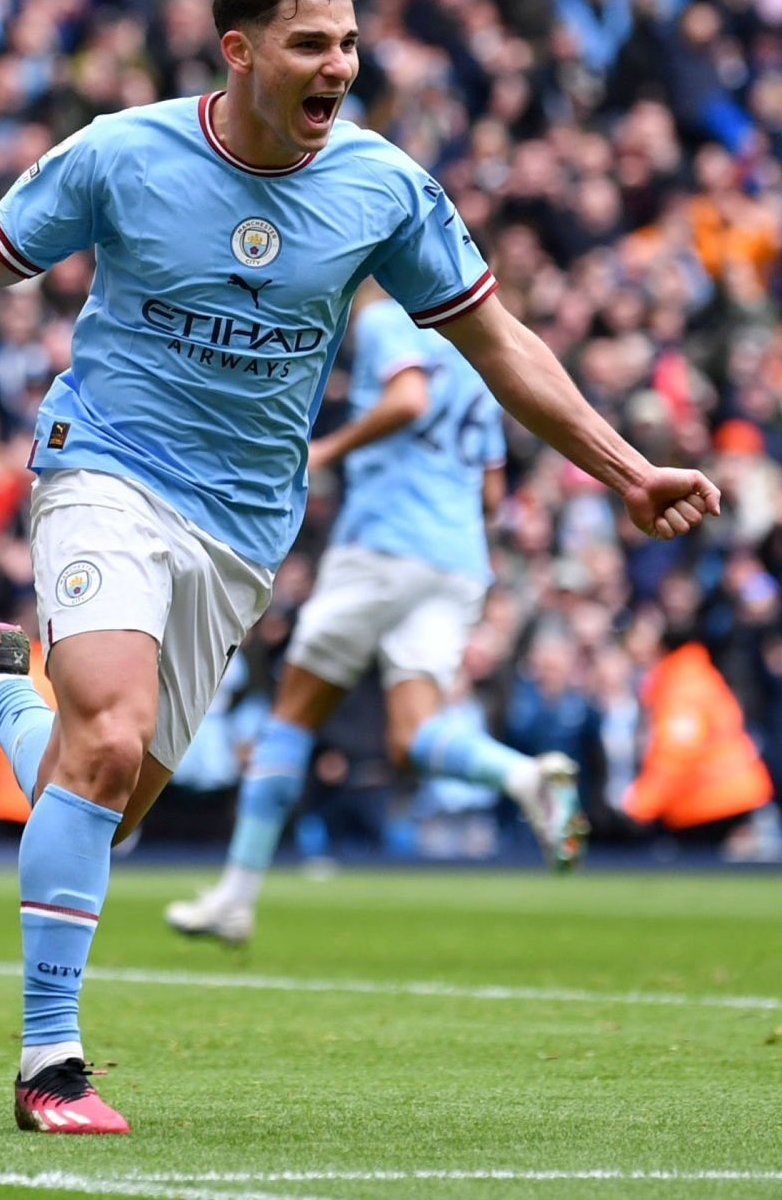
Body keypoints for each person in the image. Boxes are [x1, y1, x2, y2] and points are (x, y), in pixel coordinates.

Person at [0, 0, 719, 1134]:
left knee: (104, 794)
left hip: (242, 530)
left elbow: (495, 341)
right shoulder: (119, 153)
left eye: (348, 41)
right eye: (311, 43)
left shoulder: (382, 188)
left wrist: (623, 466)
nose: (339, 63)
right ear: (239, 53)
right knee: (106, 740)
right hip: (105, 469)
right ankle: (51, 1063)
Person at [165, 285, 585, 948]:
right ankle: (525, 775)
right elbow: (493, 491)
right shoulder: (473, 348)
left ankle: (236, 899)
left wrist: (328, 453)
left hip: (386, 541)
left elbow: (408, 398)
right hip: (457, 560)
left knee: (293, 714)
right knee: (410, 738)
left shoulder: (392, 316)